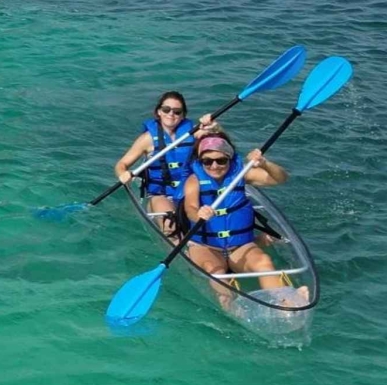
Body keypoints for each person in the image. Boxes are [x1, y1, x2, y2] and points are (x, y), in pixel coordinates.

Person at [181, 128, 296, 295]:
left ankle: (285, 302)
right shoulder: (194, 180)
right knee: (216, 272)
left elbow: (281, 178)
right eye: (207, 161)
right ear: (201, 161)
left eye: (221, 160)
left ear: (229, 159)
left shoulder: (242, 174)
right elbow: (189, 208)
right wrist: (199, 213)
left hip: (239, 247)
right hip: (206, 247)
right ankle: (229, 303)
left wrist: (265, 164)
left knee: (264, 261)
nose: (214, 166)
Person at [113, 92, 195, 236]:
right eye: (166, 110)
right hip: (161, 193)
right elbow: (121, 164)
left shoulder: (195, 134)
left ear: (183, 115)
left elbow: (221, 143)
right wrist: (122, 174)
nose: (171, 114)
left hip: (190, 190)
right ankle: (182, 253)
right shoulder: (147, 139)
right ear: (158, 112)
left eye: (177, 111)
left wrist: (214, 127)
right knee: (171, 225)